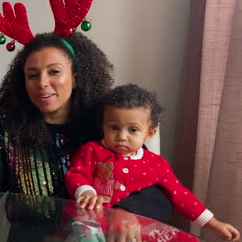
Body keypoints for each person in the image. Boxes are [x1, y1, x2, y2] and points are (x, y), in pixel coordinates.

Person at [0, 33, 173, 222]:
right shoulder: (4, 133)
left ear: (76, 78)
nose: (42, 83)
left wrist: (126, 212)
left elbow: (158, 189)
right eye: (32, 75)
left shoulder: (106, 128)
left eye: (54, 72)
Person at [65, 83, 240, 242]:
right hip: (93, 228)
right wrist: (85, 190)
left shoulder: (156, 164)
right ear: (103, 126)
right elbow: (76, 174)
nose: (121, 137)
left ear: (149, 133)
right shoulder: (92, 151)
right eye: (113, 127)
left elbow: (181, 196)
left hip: (137, 232)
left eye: (133, 130)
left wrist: (214, 223)